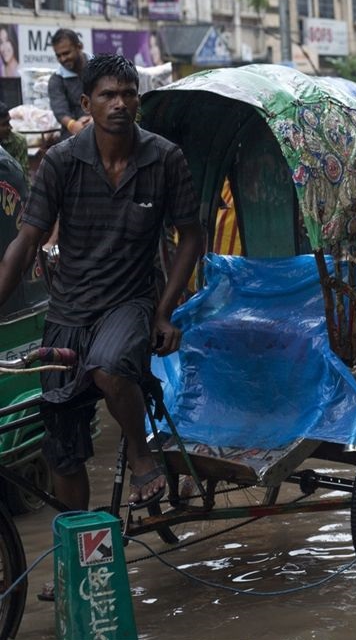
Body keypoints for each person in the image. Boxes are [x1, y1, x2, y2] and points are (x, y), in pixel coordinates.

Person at [0, 56, 203, 537]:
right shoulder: (61, 162)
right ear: (86, 104)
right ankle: (82, 559)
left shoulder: (164, 159)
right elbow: (25, 242)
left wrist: (165, 311)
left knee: (109, 366)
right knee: (63, 450)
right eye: (108, 95)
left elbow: (190, 237)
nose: (120, 103)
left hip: (132, 302)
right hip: (69, 310)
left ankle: (141, 455)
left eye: (128, 93)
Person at [48, 29, 92, 136]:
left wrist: (96, 119)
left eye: (66, 53)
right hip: (73, 135)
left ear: (79, 47)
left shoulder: (100, 68)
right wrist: (73, 125)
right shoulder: (56, 80)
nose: (63, 59)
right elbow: (60, 111)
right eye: (58, 56)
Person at [0, 101, 29, 177]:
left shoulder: (18, 142)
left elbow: (23, 177)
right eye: (4, 124)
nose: (10, 127)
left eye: (9, 122)